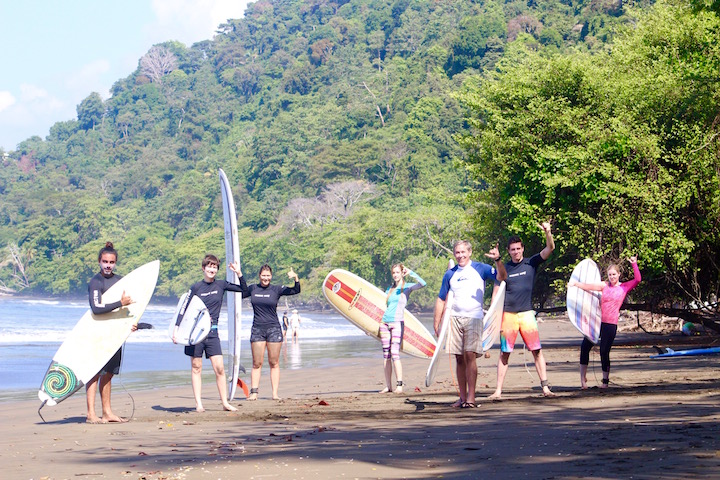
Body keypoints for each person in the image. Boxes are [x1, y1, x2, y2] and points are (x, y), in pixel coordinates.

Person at [434, 241, 507, 408]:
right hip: (454, 318)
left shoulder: (481, 268)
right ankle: (462, 397)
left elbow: (502, 277)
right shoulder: (450, 274)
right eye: (457, 253)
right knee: (459, 358)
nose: (460, 255)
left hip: (474, 317)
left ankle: (471, 398)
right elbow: (441, 299)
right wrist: (437, 324)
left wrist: (498, 260)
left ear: (470, 252)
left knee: (470, 355)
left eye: (463, 252)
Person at [489, 222, 555, 399]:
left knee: (537, 351)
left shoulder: (531, 263)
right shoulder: (505, 268)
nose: (516, 252)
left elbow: (550, 248)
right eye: (512, 249)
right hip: (508, 315)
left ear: (522, 249)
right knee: (505, 353)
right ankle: (498, 391)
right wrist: (491, 316)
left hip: (527, 313)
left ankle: (545, 387)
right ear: (508, 251)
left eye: (518, 248)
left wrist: (548, 232)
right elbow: (497, 288)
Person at [173, 254, 242, 412]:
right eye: (209, 266)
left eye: (215, 267)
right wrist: (176, 329)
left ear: (217, 269)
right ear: (203, 268)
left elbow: (243, 290)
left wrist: (239, 273)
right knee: (196, 367)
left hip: (212, 333)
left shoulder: (221, 285)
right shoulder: (196, 287)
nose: (212, 269)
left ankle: (225, 403)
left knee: (219, 368)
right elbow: (184, 308)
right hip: (195, 333)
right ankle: (199, 404)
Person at [569, 256, 641, 388]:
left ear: (619, 274)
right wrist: (576, 284)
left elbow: (638, 279)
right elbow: (589, 287)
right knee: (585, 347)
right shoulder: (604, 285)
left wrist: (634, 264)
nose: (612, 277)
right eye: (610, 275)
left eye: (614, 274)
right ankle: (583, 380)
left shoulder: (624, 287)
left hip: (610, 324)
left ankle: (605, 381)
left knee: (604, 351)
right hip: (598, 322)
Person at [86, 242, 135, 424]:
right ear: (99, 261)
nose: (108, 265)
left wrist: (133, 323)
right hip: (98, 333)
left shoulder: (120, 281)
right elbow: (97, 308)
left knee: (108, 373)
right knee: (95, 372)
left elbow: (130, 307)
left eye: (111, 262)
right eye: (105, 261)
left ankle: (107, 412)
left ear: (115, 262)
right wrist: (119, 304)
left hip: (115, 334)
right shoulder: (96, 282)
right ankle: (91, 414)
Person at [240, 265, 300, 401]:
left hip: (273, 329)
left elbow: (296, 290)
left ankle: (274, 394)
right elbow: (242, 292)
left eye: (268, 275)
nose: (266, 278)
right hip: (257, 329)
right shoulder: (253, 289)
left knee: (274, 362)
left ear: (271, 276)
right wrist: (239, 274)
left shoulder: (276, 289)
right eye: (263, 275)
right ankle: (254, 393)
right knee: (257, 363)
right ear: (259, 276)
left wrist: (295, 277)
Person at [379, 264, 426, 394]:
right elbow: (384, 307)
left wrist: (411, 272)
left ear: (401, 273)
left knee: (394, 353)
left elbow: (423, 283)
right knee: (386, 355)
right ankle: (388, 386)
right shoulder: (389, 289)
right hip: (384, 323)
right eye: (393, 272)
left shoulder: (407, 287)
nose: (395, 275)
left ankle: (399, 385)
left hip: (397, 323)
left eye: (397, 272)